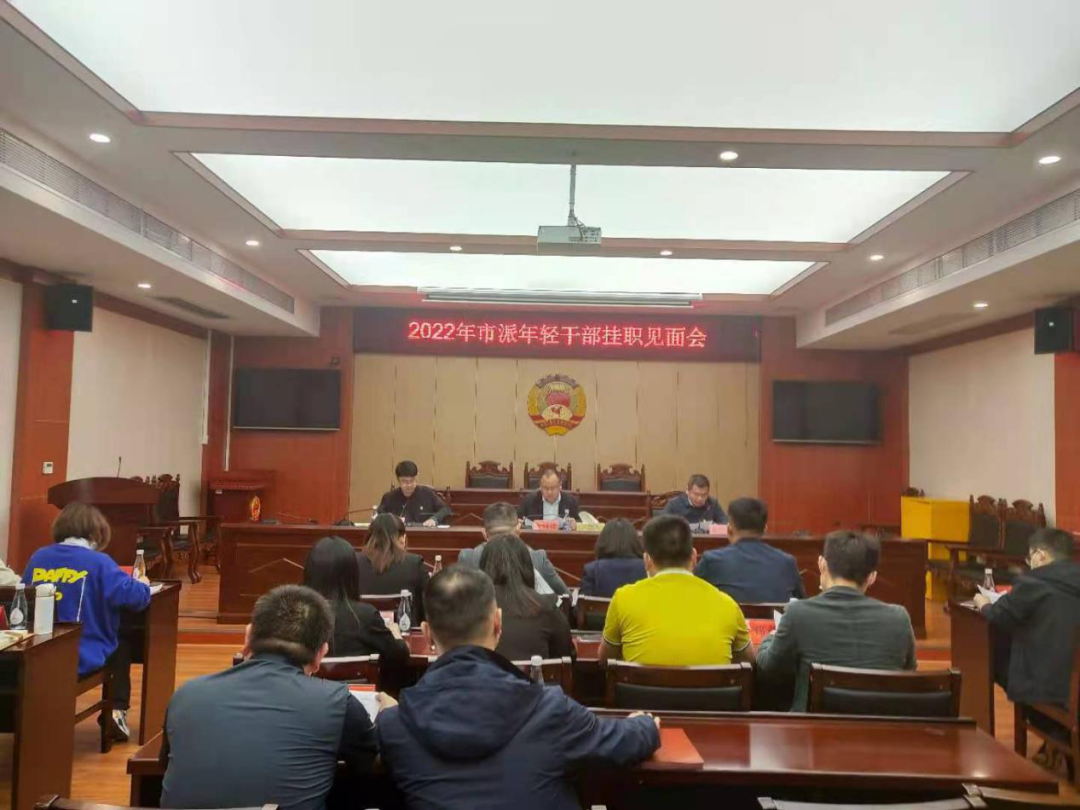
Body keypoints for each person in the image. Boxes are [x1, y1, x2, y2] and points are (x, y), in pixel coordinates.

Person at [377, 566, 660, 809]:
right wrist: (645, 725)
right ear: (498, 623)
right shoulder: (549, 709)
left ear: (427, 634)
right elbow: (625, 741)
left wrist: (394, 715)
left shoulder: (395, 726)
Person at [160, 585, 387, 810]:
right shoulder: (337, 701)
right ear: (321, 654)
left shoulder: (186, 695)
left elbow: (165, 767)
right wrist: (388, 714)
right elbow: (371, 764)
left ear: (248, 636)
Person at [22, 502, 150, 741]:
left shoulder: (39, 557)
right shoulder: (99, 562)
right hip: (81, 654)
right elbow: (136, 599)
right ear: (96, 532)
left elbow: (23, 599)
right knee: (121, 643)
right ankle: (116, 711)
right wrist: (142, 583)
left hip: (37, 653)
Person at [756, 530, 916, 712]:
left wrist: (771, 636)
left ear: (822, 565)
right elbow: (908, 675)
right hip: (880, 726)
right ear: (872, 577)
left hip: (812, 727)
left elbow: (767, 666)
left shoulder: (798, 613)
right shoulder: (899, 618)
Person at [599, 515, 754, 666]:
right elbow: (750, 661)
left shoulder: (623, 598)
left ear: (646, 560)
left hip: (640, 685)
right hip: (711, 685)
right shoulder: (728, 604)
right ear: (694, 557)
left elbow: (605, 660)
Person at [974, 528, 1080, 709]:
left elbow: (998, 615)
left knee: (990, 649)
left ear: (1040, 556)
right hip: (1074, 689)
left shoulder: (1033, 583)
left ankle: (1035, 715)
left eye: (1029, 558)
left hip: (1049, 692)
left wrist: (983, 604)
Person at [303, 535, 409, 672]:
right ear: (352, 573)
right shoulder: (365, 616)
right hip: (356, 687)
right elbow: (399, 655)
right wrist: (396, 634)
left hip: (303, 685)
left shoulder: (292, 615)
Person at [479, 534, 574, 662]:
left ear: (484, 567)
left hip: (483, 674)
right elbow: (566, 658)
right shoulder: (547, 607)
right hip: (534, 675)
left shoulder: (472, 607)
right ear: (527, 567)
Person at [694, 497, 806, 603]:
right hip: (774, 618)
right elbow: (801, 602)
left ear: (729, 529)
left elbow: (692, 595)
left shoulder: (712, 560)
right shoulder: (787, 562)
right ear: (765, 530)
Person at [458, 502, 568, 595]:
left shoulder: (468, 558)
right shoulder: (537, 558)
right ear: (518, 529)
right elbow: (566, 597)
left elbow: (459, 600)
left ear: (484, 533)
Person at [356, 514, 428, 624]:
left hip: (362, 630)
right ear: (402, 538)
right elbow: (427, 606)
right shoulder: (414, 563)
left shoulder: (354, 562)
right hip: (405, 631)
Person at [580, 518, 647, 598]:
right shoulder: (647, 568)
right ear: (635, 541)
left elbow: (583, 604)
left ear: (603, 541)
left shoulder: (592, 570)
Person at [376, 460, 450, 527]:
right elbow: (380, 517)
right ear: (398, 480)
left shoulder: (427, 493)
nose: (409, 485)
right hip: (397, 534)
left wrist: (434, 519)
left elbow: (445, 509)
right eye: (404, 481)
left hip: (424, 534)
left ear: (417, 478)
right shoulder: (389, 497)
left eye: (412, 481)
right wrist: (392, 521)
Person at [662, 474, 727, 528]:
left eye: (704, 495)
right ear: (687, 491)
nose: (700, 498)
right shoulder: (674, 504)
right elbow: (662, 526)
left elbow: (725, 523)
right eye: (696, 494)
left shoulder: (712, 503)